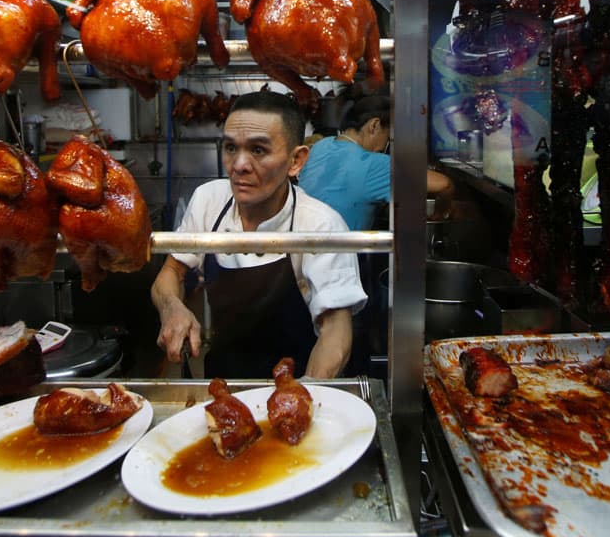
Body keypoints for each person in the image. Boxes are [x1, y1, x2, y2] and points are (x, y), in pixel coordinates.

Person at [151, 90, 367, 379]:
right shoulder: (209, 200)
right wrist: (172, 307)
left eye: (258, 150)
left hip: (298, 383)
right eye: (230, 148)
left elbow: (336, 334)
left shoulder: (320, 225)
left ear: (296, 161)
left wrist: (301, 397)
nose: (239, 165)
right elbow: (170, 273)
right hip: (223, 383)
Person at [299, 92, 455, 231]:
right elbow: (445, 185)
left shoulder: (321, 146)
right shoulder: (373, 163)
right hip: (338, 258)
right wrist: (441, 212)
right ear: (374, 125)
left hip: (299, 251)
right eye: (388, 137)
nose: (384, 146)